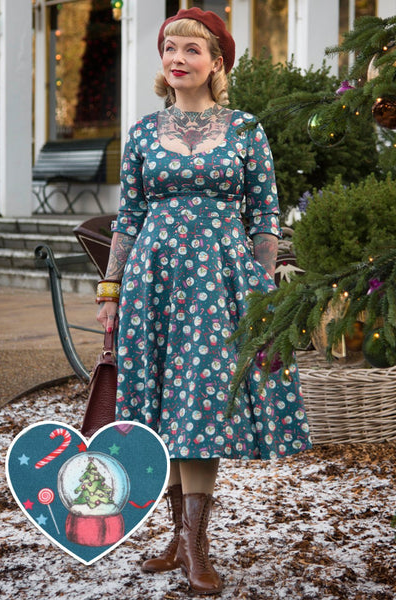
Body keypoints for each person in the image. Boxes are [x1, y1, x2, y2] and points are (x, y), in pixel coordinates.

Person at [96, 7, 311, 596]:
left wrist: (262, 288)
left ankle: (195, 548)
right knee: (160, 399)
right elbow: (130, 217)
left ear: (217, 63)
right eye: (170, 48)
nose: (177, 58)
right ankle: (176, 538)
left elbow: (264, 214)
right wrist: (110, 291)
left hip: (221, 283)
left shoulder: (245, 130)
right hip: (153, 281)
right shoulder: (142, 132)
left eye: (191, 50)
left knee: (201, 404)